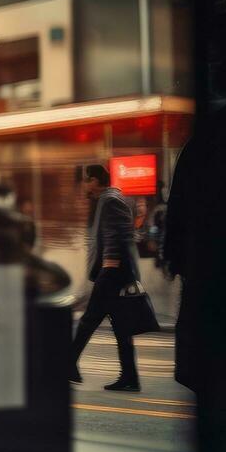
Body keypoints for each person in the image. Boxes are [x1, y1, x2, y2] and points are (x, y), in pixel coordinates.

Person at [69, 163, 141, 390]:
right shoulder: (105, 200)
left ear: (95, 181)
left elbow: (117, 233)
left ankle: (68, 364)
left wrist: (109, 265)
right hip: (112, 273)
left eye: (86, 180)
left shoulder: (110, 200)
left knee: (89, 320)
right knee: (121, 328)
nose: (84, 185)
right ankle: (130, 377)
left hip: (111, 274)